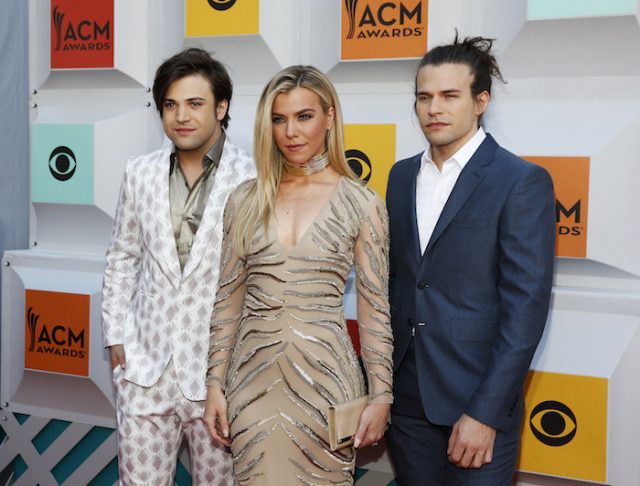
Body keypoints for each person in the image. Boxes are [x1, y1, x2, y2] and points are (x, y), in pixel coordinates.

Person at [203, 65, 393, 485]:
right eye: (279, 118)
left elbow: (375, 310)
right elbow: (228, 301)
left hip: (326, 385)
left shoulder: (362, 203)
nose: (291, 131)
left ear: (330, 117)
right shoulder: (244, 201)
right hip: (252, 384)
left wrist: (381, 396)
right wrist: (215, 384)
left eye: (304, 116)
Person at [385, 34, 556, 485]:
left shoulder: (520, 181)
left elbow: (525, 311)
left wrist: (485, 413)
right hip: (407, 402)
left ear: (480, 101)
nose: (433, 108)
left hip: (476, 402)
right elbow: (397, 283)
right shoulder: (400, 177)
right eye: (424, 97)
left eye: (449, 96)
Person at [101, 48, 255, 485]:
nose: (181, 116)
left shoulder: (254, 175)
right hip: (144, 370)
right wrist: (116, 336)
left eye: (194, 104)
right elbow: (121, 257)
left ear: (221, 108)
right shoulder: (140, 172)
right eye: (170, 105)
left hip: (219, 378)